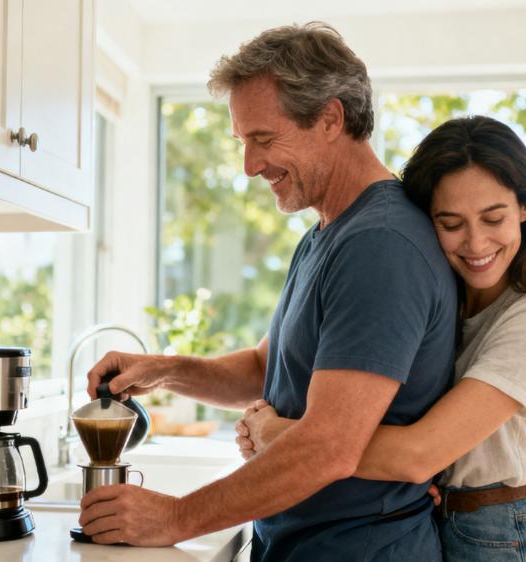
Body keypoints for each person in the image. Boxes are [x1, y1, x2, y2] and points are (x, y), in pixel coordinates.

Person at [76, 22, 457, 560]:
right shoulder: (327, 234)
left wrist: (175, 517)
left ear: (330, 118)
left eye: (263, 139)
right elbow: (266, 369)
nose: (250, 166)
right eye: (243, 142)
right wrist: (162, 370)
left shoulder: (380, 244)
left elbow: (328, 446)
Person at [237, 114, 526, 561]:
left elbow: (418, 454)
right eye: (451, 223)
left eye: (493, 218)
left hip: (497, 536)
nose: (476, 243)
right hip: (437, 517)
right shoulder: (445, 293)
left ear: (525, 207)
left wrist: (280, 435)